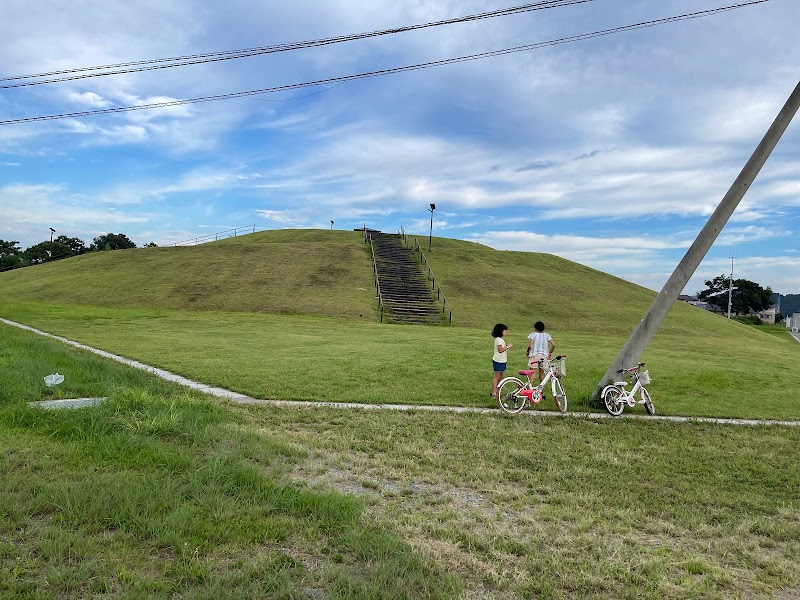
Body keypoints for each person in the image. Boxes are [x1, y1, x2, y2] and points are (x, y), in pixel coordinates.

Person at [526, 321, 556, 394]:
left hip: (535, 355)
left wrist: (527, 352)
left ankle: (529, 391)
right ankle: (541, 392)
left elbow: (530, 346)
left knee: (532, 373)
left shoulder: (533, 335)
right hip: (544, 357)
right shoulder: (546, 335)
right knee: (542, 375)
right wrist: (550, 352)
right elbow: (554, 344)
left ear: (536, 328)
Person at [490, 323, 512, 398]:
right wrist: (508, 347)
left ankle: (498, 391)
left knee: (501, 376)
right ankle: (494, 392)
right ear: (501, 331)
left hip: (502, 360)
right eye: (504, 331)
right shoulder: (499, 340)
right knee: (497, 376)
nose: (505, 332)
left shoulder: (500, 340)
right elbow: (500, 350)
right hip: (498, 360)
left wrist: (505, 346)